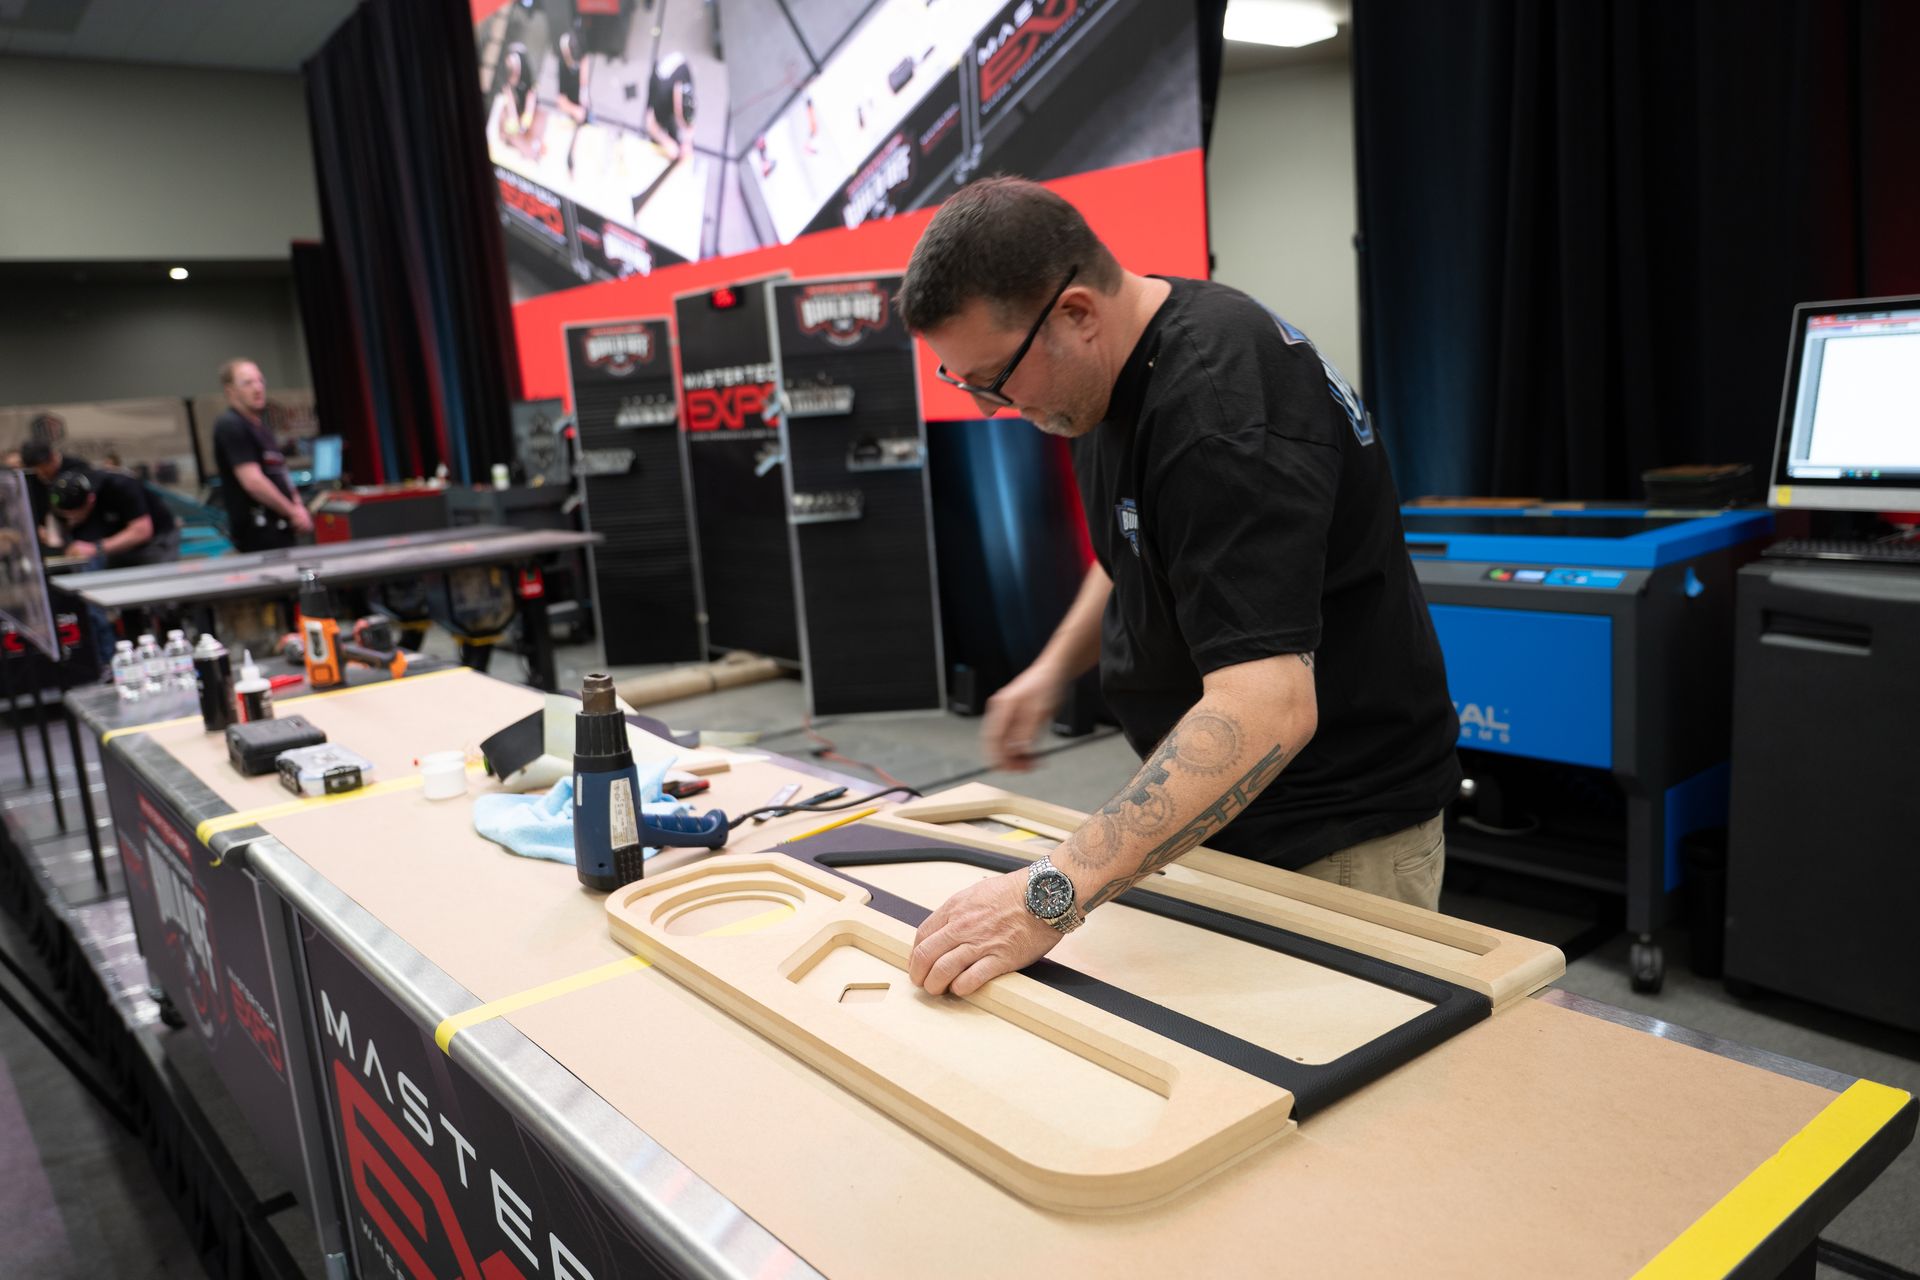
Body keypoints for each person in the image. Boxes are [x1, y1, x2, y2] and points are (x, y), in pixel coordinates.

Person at [894, 177, 1460, 998]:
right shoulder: (1101, 380)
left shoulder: (1221, 413)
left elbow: (1267, 706)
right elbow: (1141, 546)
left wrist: (1046, 897)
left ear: (1076, 313)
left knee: (1333, 1098)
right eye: (966, 384)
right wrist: (1055, 669)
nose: (989, 408)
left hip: (1334, 831)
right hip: (1231, 807)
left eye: (994, 379)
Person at [211, 359, 311, 552]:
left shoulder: (260, 428)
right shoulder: (231, 425)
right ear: (230, 391)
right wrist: (293, 513)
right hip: (259, 538)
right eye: (248, 383)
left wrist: (298, 506)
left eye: (260, 381)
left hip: (281, 531)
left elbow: (280, 473)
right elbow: (253, 481)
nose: (258, 388)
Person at [48, 466, 180, 569]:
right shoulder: (67, 492)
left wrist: (95, 548)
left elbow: (142, 531)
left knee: (155, 582)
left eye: (75, 516)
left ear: (90, 500)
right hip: (118, 539)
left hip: (155, 538)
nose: (71, 520)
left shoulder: (120, 486)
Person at [19, 438, 87, 548]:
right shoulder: (33, 477)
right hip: (50, 539)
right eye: (35, 469)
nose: (39, 474)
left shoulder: (77, 468)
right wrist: (37, 527)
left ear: (52, 458)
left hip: (81, 534)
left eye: (43, 469)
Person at [644, 51, 695, 162]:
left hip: (675, 73)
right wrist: (666, 142)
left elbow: (689, 123)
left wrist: (688, 142)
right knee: (661, 134)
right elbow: (649, 123)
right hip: (660, 87)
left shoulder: (687, 91)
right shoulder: (660, 93)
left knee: (679, 142)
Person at [554, 28, 592, 176]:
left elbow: (585, 62)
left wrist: (584, 91)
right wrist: (574, 110)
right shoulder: (562, 65)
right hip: (571, 109)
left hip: (582, 106)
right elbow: (560, 100)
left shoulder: (580, 43)